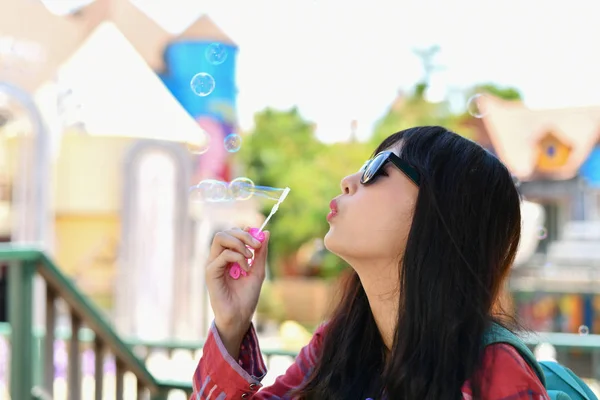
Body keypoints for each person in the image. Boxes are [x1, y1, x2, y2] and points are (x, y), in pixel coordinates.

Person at [191, 126, 549, 399]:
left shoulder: (495, 373)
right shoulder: (337, 344)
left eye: (375, 168)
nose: (347, 182)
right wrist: (232, 323)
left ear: (441, 212)